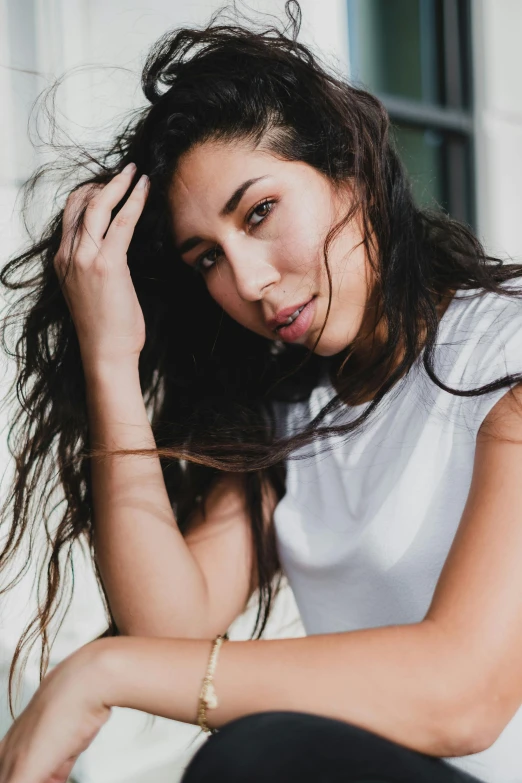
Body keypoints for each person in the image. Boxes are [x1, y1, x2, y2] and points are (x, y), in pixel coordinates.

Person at [1, 1, 522, 781]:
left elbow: (464, 694)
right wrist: (111, 354)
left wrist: (101, 672)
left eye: (261, 211)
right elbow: (172, 627)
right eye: (206, 258)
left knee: (255, 754)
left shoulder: (506, 353)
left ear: (348, 162)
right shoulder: (298, 415)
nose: (248, 281)